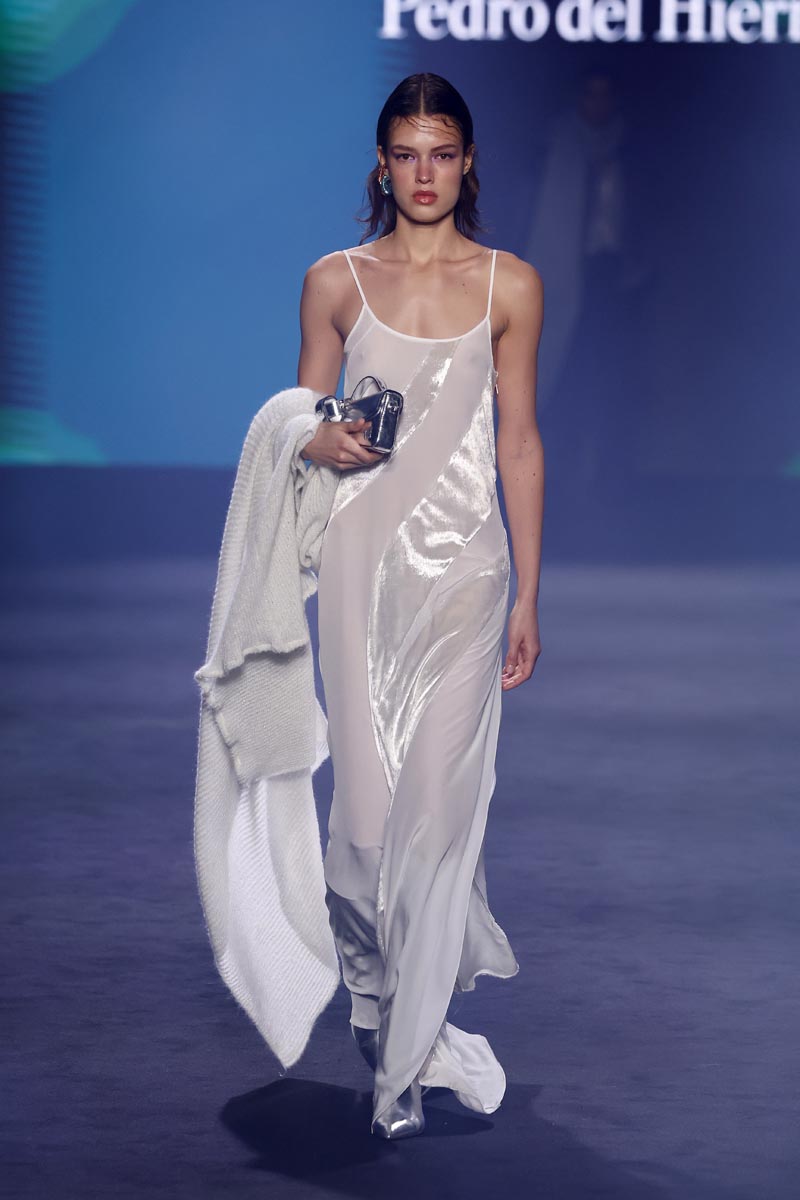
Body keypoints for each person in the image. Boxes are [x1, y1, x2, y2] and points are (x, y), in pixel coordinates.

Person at [297, 73, 544, 1140]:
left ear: (467, 161)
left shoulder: (510, 285)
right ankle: (382, 1009)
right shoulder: (335, 281)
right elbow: (299, 419)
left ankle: (399, 1075)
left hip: (467, 579)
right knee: (361, 840)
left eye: (442, 152)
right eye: (406, 153)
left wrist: (529, 590)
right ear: (382, 164)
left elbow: (518, 440)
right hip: (361, 576)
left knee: (436, 826)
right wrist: (319, 436)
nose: (425, 173)